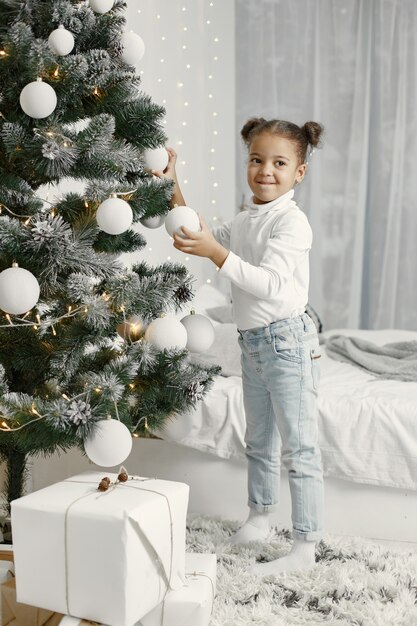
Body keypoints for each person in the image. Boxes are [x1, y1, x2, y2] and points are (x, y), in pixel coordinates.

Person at [152, 118, 324, 575]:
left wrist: (213, 252)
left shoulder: (292, 223)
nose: (265, 170)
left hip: (287, 342)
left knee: (300, 447)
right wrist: (173, 185)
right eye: (256, 159)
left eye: (279, 163)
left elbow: (267, 282)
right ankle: (259, 518)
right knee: (259, 440)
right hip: (254, 345)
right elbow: (201, 234)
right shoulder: (248, 217)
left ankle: (305, 547)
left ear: (299, 173)